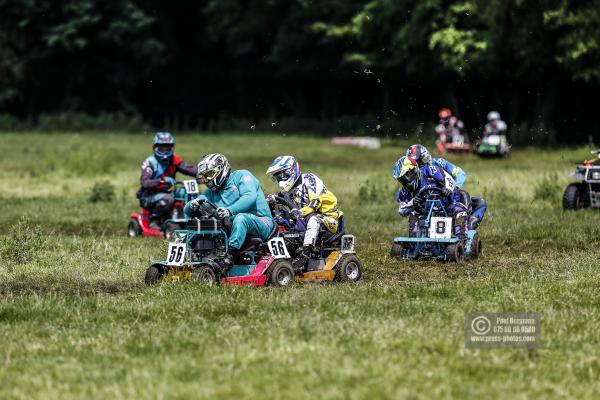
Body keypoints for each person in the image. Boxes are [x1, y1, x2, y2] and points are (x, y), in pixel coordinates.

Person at [185, 153, 273, 265]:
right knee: (203, 222)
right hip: (232, 225)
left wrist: (229, 210)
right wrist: (192, 205)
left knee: (241, 218)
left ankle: (229, 257)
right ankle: (194, 256)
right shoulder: (212, 192)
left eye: (210, 174)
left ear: (222, 169)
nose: (207, 180)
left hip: (262, 222)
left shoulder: (243, 176)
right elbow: (189, 209)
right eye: (205, 176)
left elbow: (249, 197)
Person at [266, 156, 342, 271]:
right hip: (304, 221)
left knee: (313, 218)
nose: (280, 180)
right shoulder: (287, 192)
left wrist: (298, 212)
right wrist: (272, 204)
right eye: (277, 177)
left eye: (282, 176)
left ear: (292, 171)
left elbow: (314, 203)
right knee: (279, 220)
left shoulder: (310, 179)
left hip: (328, 221)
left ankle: (305, 255)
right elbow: (289, 212)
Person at [405, 144, 487, 229]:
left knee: (474, 200)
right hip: (425, 202)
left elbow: (460, 174)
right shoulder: (411, 176)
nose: (417, 165)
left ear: (425, 157)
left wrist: (452, 188)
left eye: (418, 162)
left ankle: (466, 227)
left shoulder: (439, 163)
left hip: (448, 197)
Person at [393, 155, 468, 238]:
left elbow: (448, 178)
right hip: (425, 213)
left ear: (415, 170)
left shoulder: (430, 170)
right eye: (402, 179)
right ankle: (414, 242)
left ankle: (461, 239)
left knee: (460, 210)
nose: (406, 180)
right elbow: (402, 211)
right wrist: (412, 202)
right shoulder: (404, 192)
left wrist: (448, 189)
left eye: (408, 175)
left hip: (447, 206)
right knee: (413, 214)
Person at [138, 132, 197, 230]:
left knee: (187, 195)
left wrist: (203, 174)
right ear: (154, 148)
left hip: (168, 192)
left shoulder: (174, 160)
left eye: (168, 148)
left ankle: (189, 220)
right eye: (162, 148)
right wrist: (160, 181)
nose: (165, 151)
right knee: (168, 198)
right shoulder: (149, 162)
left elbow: (189, 169)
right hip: (148, 196)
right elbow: (145, 182)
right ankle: (154, 220)